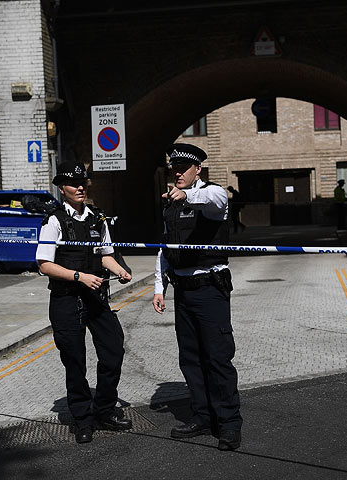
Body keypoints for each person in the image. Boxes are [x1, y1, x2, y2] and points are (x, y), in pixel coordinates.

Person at [152, 143, 243, 451]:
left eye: (183, 169)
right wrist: (158, 286)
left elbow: (216, 200)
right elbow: (165, 248)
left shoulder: (212, 194)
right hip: (183, 291)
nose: (177, 174)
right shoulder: (169, 204)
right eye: (173, 169)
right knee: (190, 359)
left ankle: (228, 423)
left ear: (197, 171)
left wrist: (187, 195)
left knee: (217, 357)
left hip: (210, 289)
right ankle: (202, 416)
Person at [36, 161, 133, 444]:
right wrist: (79, 276)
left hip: (95, 297)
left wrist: (119, 270)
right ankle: (81, 418)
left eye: (83, 183)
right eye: (73, 183)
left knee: (113, 349)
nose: (80, 187)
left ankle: (104, 409)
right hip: (66, 300)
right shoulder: (53, 220)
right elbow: (44, 264)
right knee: (75, 361)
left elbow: (105, 254)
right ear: (61, 188)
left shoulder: (97, 217)